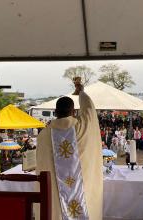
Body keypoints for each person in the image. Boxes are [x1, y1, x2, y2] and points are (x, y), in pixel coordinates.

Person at [36, 79, 103, 220]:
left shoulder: (44, 135)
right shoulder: (83, 127)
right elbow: (89, 109)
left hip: (56, 203)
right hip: (81, 196)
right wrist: (81, 93)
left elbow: (41, 164)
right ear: (73, 111)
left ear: (55, 112)